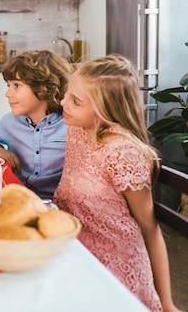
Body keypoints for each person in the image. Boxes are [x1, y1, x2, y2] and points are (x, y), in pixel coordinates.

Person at [54, 55, 180, 312]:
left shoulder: (122, 154)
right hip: (75, 256)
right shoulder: (78, 128)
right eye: (68, 94)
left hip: (116, 272)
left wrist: (166, 303)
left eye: (75, 101)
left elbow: (149, 228)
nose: (62, 102)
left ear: (105, 111)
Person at [0, 50, 72, 199]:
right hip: (18, 199)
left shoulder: (70, 126)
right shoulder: (10, 122)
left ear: (44, 88)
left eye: (16, 85)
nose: (8, 93)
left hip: (58, 205)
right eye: (8, 85)